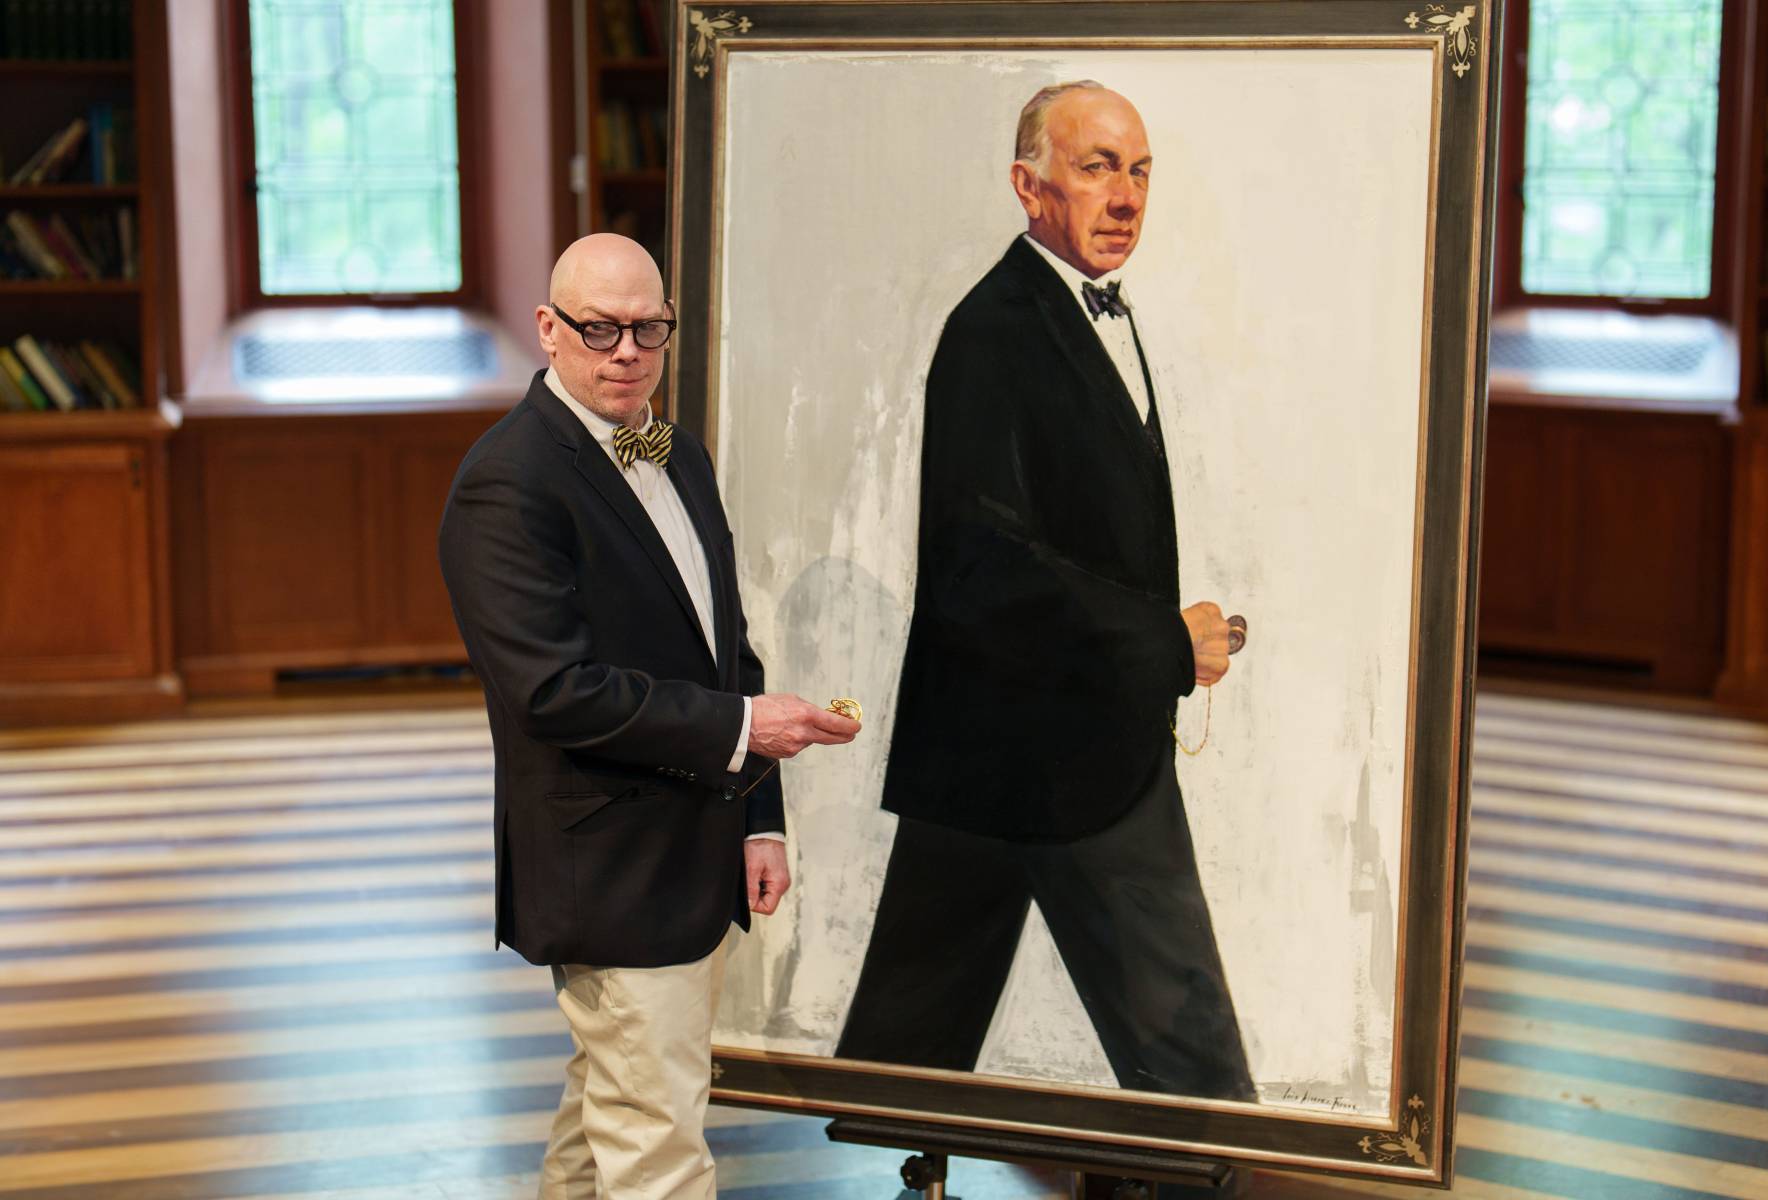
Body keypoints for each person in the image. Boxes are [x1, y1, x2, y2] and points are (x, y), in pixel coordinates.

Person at [836, 81, 1257, 1121]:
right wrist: (1162, 643)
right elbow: (982, 566)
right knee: (1200, 1083)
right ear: (1029, 188)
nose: (1126, 196)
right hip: (1056, 762)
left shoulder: (1082, 308)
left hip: (1021, 757)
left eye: (1141, 169)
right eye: (1096, 166)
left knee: (906, 1056)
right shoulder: (993, 329)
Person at [438, 233, 860, 1200]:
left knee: (608, 1126)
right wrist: (745, 731)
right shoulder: (508, 482)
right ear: (549, 330)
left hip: (695, 845)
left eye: (648, 329)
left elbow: (725, 648)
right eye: (600, 329)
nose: (627, 351)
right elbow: (553, 691)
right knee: (660, 1157)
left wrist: (759, 814)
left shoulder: (680, 453)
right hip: (611, 868)